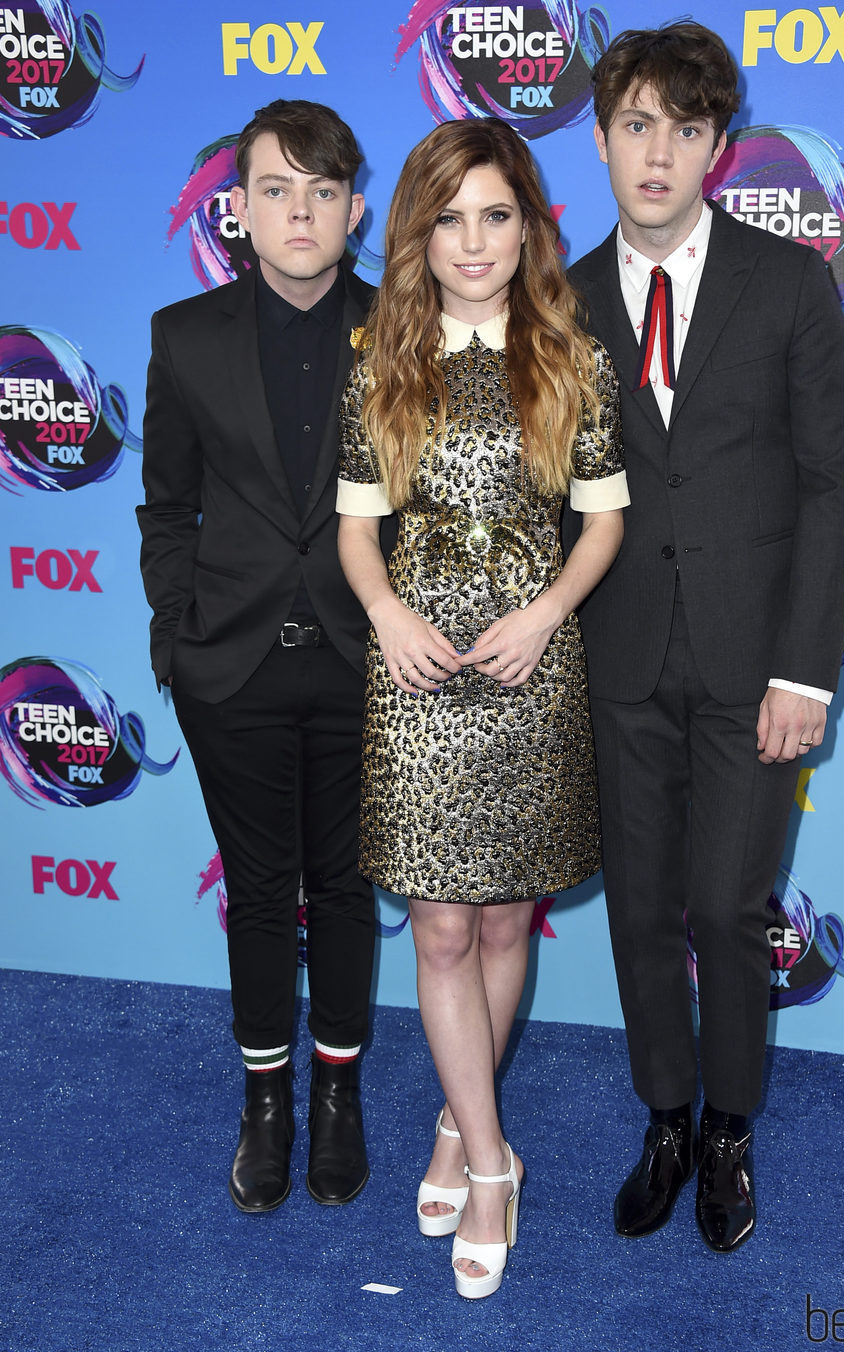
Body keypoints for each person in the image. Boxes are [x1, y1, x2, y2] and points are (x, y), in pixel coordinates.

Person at [568, 23, 844, 1252]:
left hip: (756, 664)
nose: (657, 152)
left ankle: (731, 1129)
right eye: (635, 125)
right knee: (639, 905)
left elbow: (832, 483)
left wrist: (805, 666)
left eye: (682, 130)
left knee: (726, 905)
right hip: (619, 658)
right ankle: (666, 1117)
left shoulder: (786, 281)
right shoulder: (564, 297)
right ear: (598, 139)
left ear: (716, 148)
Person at [336, 117, 627, 1298]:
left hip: (526, 666)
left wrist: (546, 610)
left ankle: (462, 1121)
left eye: (494, 215)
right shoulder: (381, 357)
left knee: (508, 923)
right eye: (448, 216)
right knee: (443, 927)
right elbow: (358, 529)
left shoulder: (569, 354)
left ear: (526, 226)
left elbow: (602, 518)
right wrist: (389, 617)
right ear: (418, 229)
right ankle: (495, 1161)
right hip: (415, 672)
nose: (472, 240)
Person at [137, 99, 380, 1214]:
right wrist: (175, 634)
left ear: (355, 209)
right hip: (226, 665)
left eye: (321, 192)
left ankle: (337, 1096)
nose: (299, 212)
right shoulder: (181, 336)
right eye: (276, 190)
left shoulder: (404, 332)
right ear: (236, 209)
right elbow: (166, 506)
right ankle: (265, 1101)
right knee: (256, 890)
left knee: (339, 888)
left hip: (361, 659)